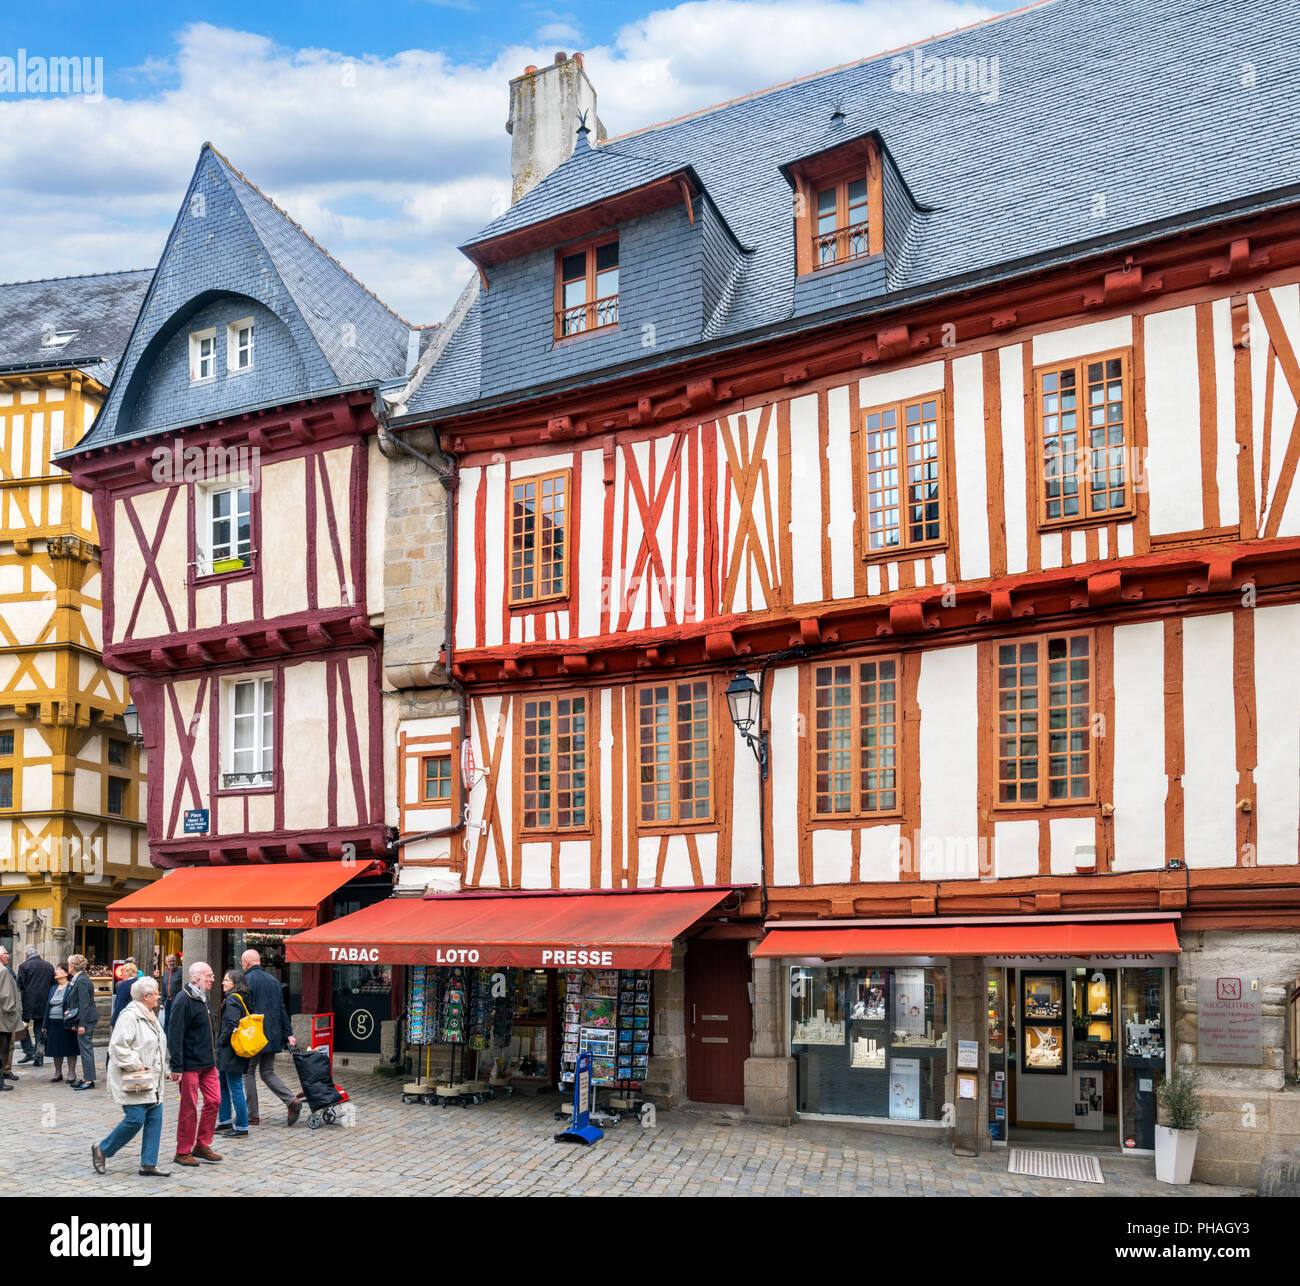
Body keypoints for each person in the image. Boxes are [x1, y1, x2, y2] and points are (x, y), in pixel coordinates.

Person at [91, 976, 171, 1177]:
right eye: (155, 994)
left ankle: (149, 1163)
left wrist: (166, 1070)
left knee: (155, 1117)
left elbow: (158, 1048)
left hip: (153, 1078)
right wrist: (137, 1064)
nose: (158, 996)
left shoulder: (151, 1015)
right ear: (145, 996)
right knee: (135, 1119)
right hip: (135, 1077)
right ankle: (102, 1150)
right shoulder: (130, 1016)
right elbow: (117, 1047)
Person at [166, 961, 222, 1166]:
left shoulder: (202, 997)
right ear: (196, 978)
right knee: (188, 1108)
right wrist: (177, 1066)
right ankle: (182, 1151)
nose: (213, 979)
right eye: (209, 975)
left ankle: (201, 1144)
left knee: (215, 1100)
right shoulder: (184, 999)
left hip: (208, 1063)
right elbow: (174, 1034)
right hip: (189, 1064)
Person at [240, 950, 298, 1126]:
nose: (242, 966)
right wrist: (288, 1033)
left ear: (247, 963)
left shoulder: (245, 981)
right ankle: (291, 1100)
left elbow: (243, 1010)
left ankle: (252, 1115)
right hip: (272, 1033)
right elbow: (282, 1008)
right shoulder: (273, 981)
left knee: (248, 1073)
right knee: (267, 1071)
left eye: (242, 963)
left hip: (253, 1034)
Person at [214, 969, 255, 1137]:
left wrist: (219, 1042)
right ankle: (224, 1121)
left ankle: (241, 1126)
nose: (223, 983)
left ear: (235, 983)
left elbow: (231, 1024)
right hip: (231, 1050)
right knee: (223, 1085)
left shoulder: (232, 1000)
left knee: (235, 1087)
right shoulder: (242, 997)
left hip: (231, 1050)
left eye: (226, 980)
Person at [41, 962, 80, 1083]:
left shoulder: (71, 987)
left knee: (69, 1048)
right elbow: (48, 1006)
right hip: (52, 1022)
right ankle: (58, 1072)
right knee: (55, 1049)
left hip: (67, 1023)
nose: (56, 971)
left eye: (58, 970)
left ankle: (71, 1072)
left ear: (66, 973)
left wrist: (74, 1022)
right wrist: (44, 1024)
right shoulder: (53, 988)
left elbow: (75, 1005)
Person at [66, 955, 100, 1090]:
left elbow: (84, 1004)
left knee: (86, 1050)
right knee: (84, 1048)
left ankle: (90, 1080)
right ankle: (87, 1077)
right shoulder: (79, 979)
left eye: (69, 964)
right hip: (83, 1018)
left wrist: (81, 1024)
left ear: (73, 966)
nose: (68, 966)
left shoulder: (82, 980)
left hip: (87, 1019)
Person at [17, 945, 54, 1067]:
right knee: (39, 1030)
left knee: (21, 1027)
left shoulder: (24, 966)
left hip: (28, 1003)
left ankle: (29, 1051)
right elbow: (53, 984)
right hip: (44, 1002)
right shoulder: (49, 966)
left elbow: (20, 985)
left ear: (26, 955)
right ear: (37, 953)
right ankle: (39, 1057)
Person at [0, 947, 25, 1086]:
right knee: (3, 1050)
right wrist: (13, 1012)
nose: (8, 956)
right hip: (4, 1019)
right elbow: (6, 996)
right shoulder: (3, 971)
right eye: (5, 954)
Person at [158, 954, 183, 1028]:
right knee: (167, 1021)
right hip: (168, 1001)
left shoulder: (181, 970)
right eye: (170, 961)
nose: (172, 963)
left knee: (176, 1021)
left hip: (177, 1000)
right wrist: (162, 1002)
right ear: (166, 962)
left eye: (173, 961)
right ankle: (166, 1038)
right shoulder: (165, 973)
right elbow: (163, 988)